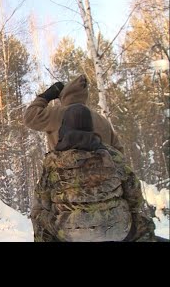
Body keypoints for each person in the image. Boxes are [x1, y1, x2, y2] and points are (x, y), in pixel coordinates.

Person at [30, 103, 157, 242]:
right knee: (144, 224)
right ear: (90, 127)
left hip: (69, 233)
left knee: (39, 216)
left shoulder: (53, 162)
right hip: (118, 229)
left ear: (64, 127)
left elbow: (43, 202)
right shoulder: (112, 156)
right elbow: (135, 195)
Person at [24, 74, 123, 153]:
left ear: (64, 94)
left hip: (66, 176)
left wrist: (44, 97)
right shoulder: (102, 120)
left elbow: (29, 117)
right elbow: (119, 152)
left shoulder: (56, 114)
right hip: (102, 176)